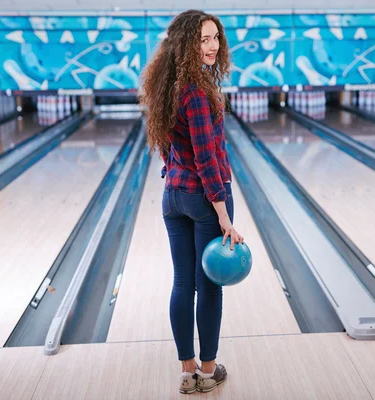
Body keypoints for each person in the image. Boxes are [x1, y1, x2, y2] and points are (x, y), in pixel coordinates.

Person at [139, 9, 244, 394]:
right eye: (203, 39)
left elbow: (169, 148)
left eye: (216, 37)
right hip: (203, 199)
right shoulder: (198, 93)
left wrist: (176, 181)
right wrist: (223, 215)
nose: (213, 45)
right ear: (187, 44)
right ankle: (209, 368)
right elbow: (206, 158)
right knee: (208, 285)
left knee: (183, 283)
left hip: (173, 196)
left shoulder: (167, 87)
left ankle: (187, 372)